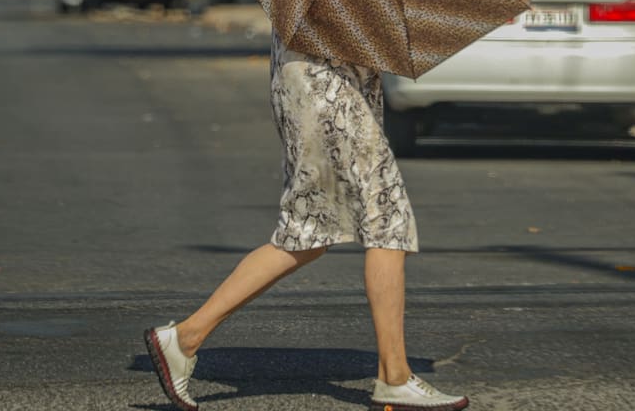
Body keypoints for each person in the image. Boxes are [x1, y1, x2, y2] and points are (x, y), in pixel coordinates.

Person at [144, 31, 469, 411]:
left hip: (318, 86)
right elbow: (342, 16)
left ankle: (185, 338)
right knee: (387, 221)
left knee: (309, 232)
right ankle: (394, 376)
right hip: (328, 90)